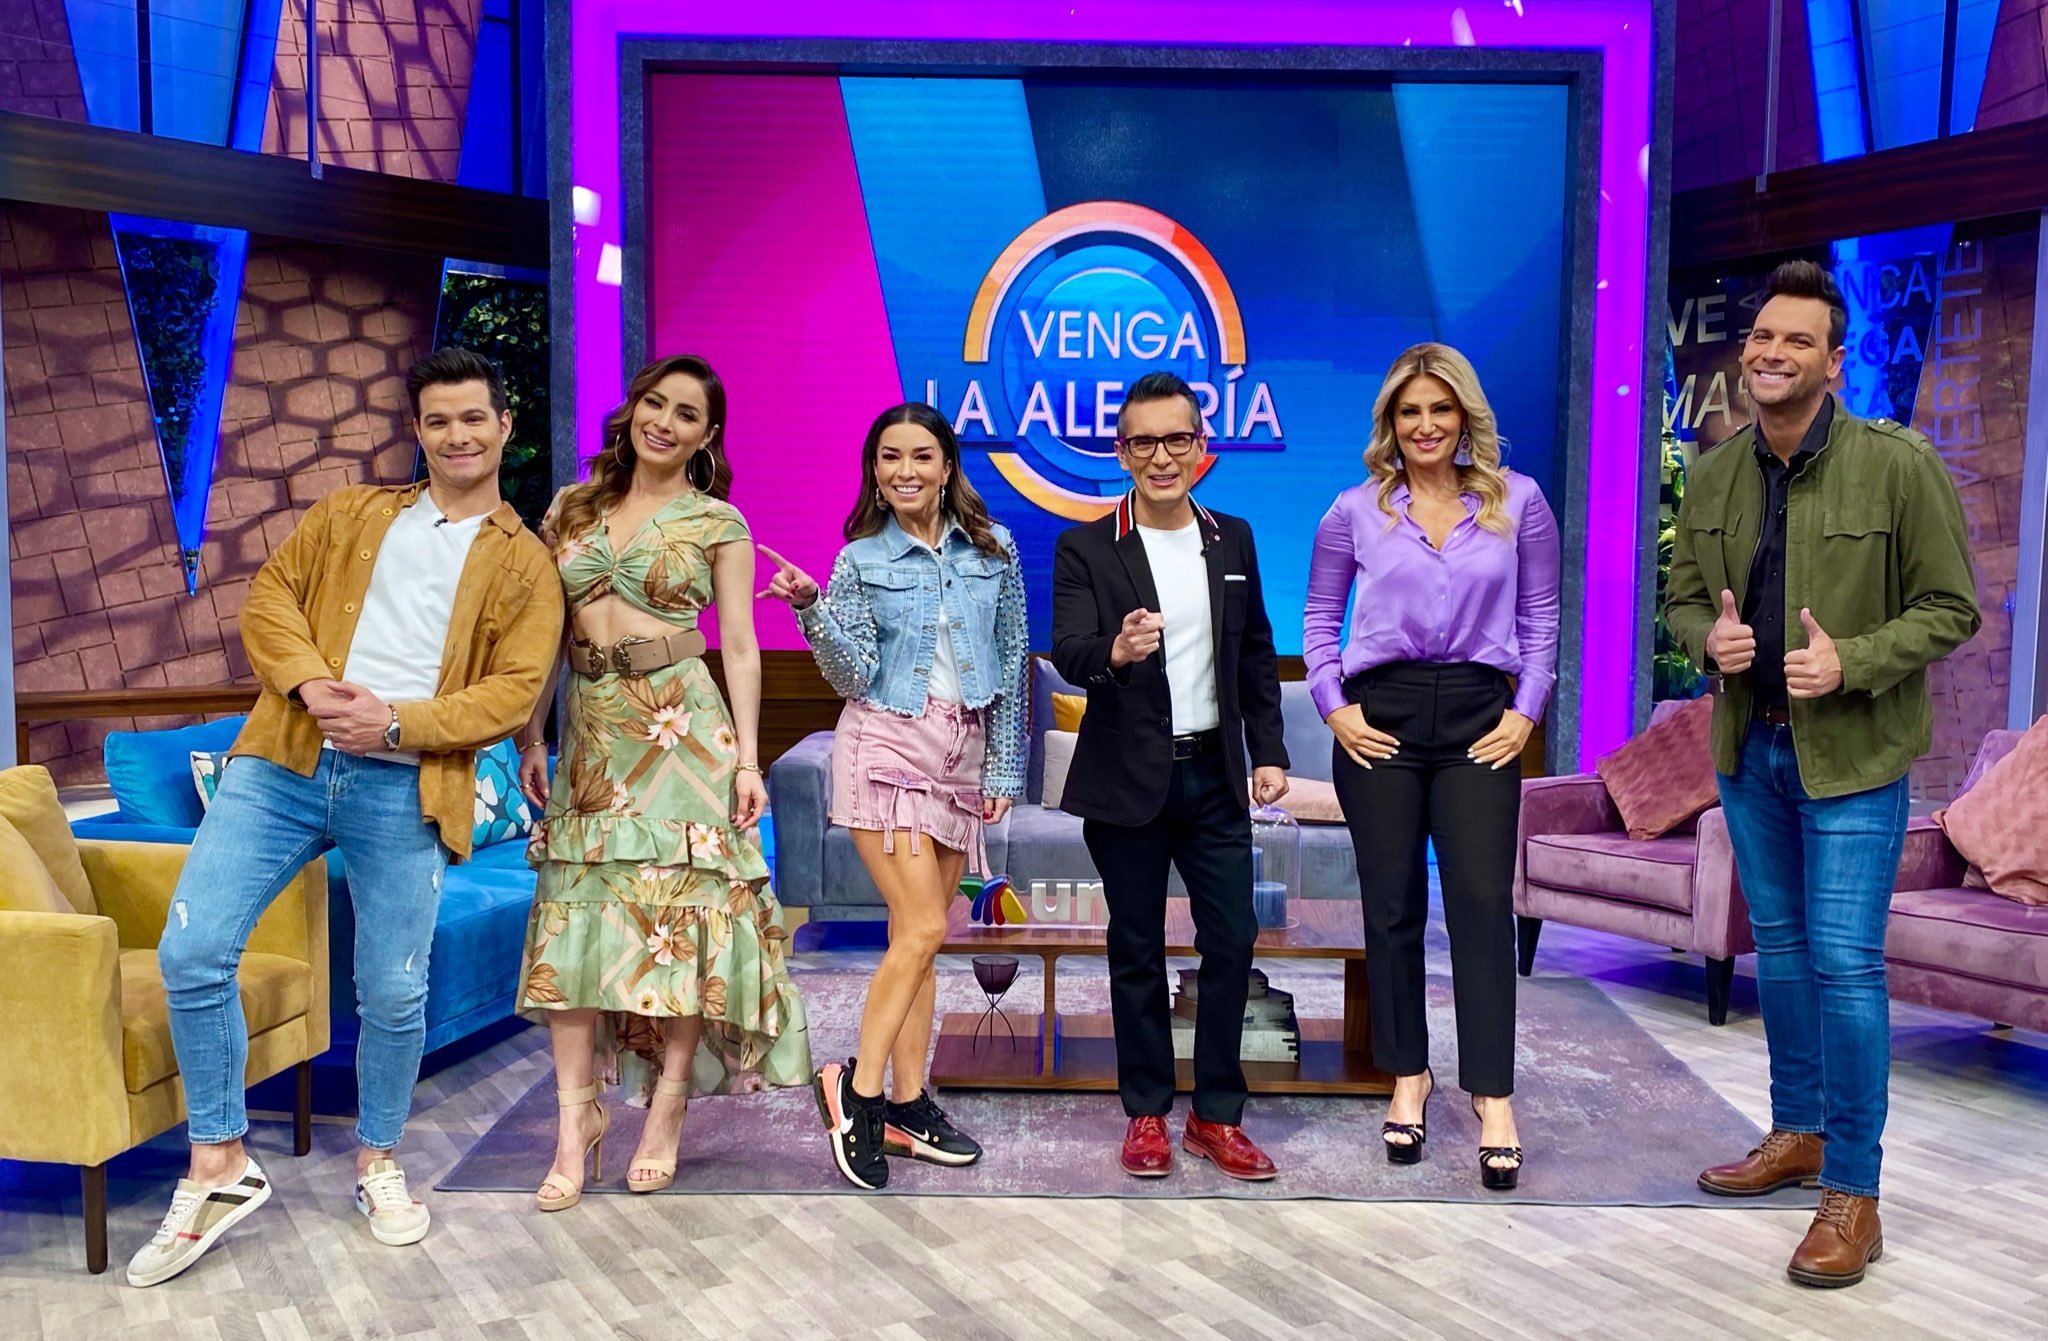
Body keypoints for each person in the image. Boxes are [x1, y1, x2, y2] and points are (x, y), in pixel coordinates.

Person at [127, 348, 565, 1287]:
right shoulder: (350, 513)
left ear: (504, 426)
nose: (457, 435)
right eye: (438, 420)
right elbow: (270, 599)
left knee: (393, 993)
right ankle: (219, 1159)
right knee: (192, 951)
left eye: (473, 418)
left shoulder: (527, 563)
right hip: (282, 762)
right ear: (418, 430)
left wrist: (394, 721)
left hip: (407, 787)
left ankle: (377, 1160)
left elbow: (515, 688)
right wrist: (310, 684)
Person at [1668, 260, 1979, 1287]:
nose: (1771, 352)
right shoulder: (1715, 472)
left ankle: (1853, 1192)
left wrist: (1853, 659)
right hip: (1748, 750)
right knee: (1786, 955)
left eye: (1796, 340)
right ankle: (1796, 1132)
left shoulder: (1897, 466)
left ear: (1834, 363)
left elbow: (1950, 608)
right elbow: (1682, 599)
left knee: (1844, 965)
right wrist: (1704, 642)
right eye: (1762, 336)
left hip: (1851, 757)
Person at [512, 354, 810, 1210]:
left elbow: (741, 646)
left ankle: (667, 1107)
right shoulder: (571, 509)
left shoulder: (717, 520)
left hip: (682, 731)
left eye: (686, 414)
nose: (665, 422)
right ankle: (575, 1121)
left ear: (706, 436)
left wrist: (748, 760)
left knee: (684, 924)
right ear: (632, 408)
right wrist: (532, 732)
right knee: (573, 922)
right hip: (592, 735)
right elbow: (546, 632)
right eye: (655, 403)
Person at [1302, 343, 1560, 1192]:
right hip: (1382, 715)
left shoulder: (1519, 502)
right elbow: (1319, 617)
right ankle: (1408, 1075)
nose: (1425, 425)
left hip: (1482, 716)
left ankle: (1493, 1095)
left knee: (1482, 902)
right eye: (1409, 411)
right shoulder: (1353, 511)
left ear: (1464, 416)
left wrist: (1526, 711)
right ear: (1391, 421)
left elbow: (1542, 617)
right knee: (1393, 905)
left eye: (1440, 409)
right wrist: (1334, 705)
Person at [758, 402, 1028, 1191]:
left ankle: (909, 1103)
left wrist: (1002, 771)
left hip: (961, 754)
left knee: (922, 938)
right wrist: (811, 608)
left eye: (920, 456)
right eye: (889, 457)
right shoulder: (859, 560)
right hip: (885, 746)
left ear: (946, 467)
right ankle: (858, 1093)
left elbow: (1012, 660)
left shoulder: (995, 550)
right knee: (921, 925)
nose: (904, 470)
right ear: (874, 471)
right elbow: (852, 674)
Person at [1050, 370, 1290, 1182]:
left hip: (1215, 775)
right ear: (1122, 452)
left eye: (1176, 439)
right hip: (1128, 779)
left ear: (1201, 445)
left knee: (1233, 939)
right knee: (1136, 945)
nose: (1161, 456)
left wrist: (1270, 752)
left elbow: (1256, 652)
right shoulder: (1087, 546)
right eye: (1143, 442)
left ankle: (1216, 1114)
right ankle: (1147, 1110)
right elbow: (1071, 649)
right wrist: (1115, 651)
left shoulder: (1234, 538)